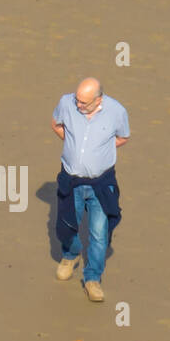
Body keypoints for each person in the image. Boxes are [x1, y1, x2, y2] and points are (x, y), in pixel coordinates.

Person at [51, 77, 129, 303]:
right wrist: (73, 146)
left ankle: (93, 278)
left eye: (84, 103)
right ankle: (70, 255)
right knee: (66, 224)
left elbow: (123, 137)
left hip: (101, 184)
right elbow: (55, 124)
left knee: (98, 233)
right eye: (77, 100)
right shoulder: (67, 103)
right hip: (71, 179)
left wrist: (100, 149)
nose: (78, 105)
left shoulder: (117, 111)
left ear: (99, 100)